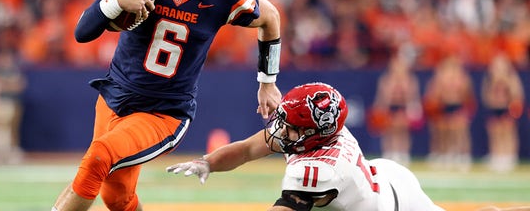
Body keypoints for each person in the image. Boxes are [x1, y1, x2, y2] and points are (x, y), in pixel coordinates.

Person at [51, 0, 282, 211]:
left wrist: (267, 81)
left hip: (163, 111)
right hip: (114, 97)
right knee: (116, 197)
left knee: (99, 158)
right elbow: (83, 32)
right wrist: (118, 1)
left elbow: (270, 18)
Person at [167, 82, 445, 211]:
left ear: (315, 132)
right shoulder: (319, 132)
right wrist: (208, 162)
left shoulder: (319, 170)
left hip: (392, 204)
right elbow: (246, 149)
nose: (283, 130)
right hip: (386, 177)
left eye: (293, 126)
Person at [422, 54, 476, 171]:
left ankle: (463, 155)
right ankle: (442, 154)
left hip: (458, 106)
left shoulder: (463, 78)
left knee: (460, 132)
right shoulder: (439, 78)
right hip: (442, 107)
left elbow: (468, 95)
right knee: (441, 132)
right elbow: (432, 94)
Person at [370, 53, 422, 166]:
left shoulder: (409, 80)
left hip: (403, 108)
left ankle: (403, 153)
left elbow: (413, 96)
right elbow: (381, 96)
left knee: (402, 131)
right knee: (389, 131)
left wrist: (414, 108)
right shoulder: (386, 79)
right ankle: (389, 152)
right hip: (389, 108)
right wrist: (379, 108)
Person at [480, 53, 524, 172]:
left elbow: (517, 93)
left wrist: (506, 82)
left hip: (507, 108)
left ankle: (510, 156)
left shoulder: (511, 77)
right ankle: (497, 155)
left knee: (508, 133)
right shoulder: (489, 78)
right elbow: (486, 95)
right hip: (495, 108)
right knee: (495, 133)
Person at [0, 49, 27, 164]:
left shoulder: (13, 71)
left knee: (12, 130)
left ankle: (10, 154)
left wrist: (6, 84)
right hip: (1, 103)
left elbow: (19, 85)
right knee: (0, 130)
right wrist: (9, 84)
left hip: (13, 102)